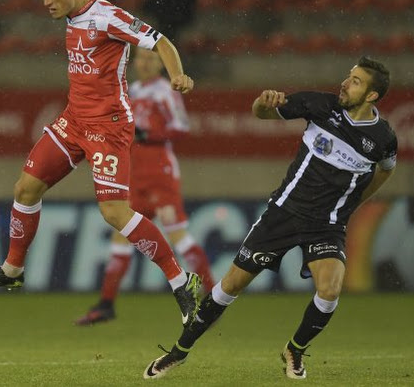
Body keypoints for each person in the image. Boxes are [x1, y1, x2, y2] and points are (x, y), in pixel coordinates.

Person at [0, 0, 202, 327]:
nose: (46, 3)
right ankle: (12, 270)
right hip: (74, 121)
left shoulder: (108, 16)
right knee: (25, 188)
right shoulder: (73, 16)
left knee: (114, 213)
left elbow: (161, 41)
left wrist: (178, 75)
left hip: (108, 127)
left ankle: (180, 280)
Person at [143, 56, 398, 380]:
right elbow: (261, 113)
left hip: (327, 225)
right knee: (230, 285)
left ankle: (294, 349)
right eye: (349, 76)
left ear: (372, 96)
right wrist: (263, 104)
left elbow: (386, 170)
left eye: (357, 81)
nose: (346, 83)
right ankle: (178, 352)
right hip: (284, 214)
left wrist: (354, 203)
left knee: (330, 290)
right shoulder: (320, 106)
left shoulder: (383, 139)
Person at [75, 48, 215, 326]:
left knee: (178, 236)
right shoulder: (131, 90)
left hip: (159, 172)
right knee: (121, 238)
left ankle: (212, 295)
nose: (146, 62)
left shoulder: (165, 90)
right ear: (134, 61)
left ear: (162, 65)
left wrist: (147, 132)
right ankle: (106, 303)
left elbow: (181, 127)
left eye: (153, 58)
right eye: (142, 57)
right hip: (133, 173)